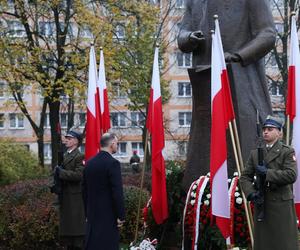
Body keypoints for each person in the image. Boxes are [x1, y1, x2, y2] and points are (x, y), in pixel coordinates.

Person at [177, 0, 276, 189]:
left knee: (243, 137)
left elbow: (268, 34)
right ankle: (200, 194)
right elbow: (182, 34)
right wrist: (189, 37)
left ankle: (246, 192)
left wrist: (238, 56)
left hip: (241, 78)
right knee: (204, 140)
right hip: (206, 79)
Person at [240, 116, 299, 250]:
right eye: (264, 129)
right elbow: (245, 177)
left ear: (279, 133)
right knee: (264, 243)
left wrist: (267, 173)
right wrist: (250, 193)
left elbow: (291, 175)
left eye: (270, 129)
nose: (266, 132)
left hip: (281, 205)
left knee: (283, 242)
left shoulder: (287, 151)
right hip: (263, 203)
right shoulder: (255, 154)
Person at [82, 133, 125, 250]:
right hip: (108, 215)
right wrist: (121, 215)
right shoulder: (113, 163)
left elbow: (84, 190)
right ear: (112, 144)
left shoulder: (89, 163)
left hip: (92, 214)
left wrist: (87, 212)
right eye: (116, 143)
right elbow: (117, 192)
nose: (117, 146)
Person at [56, 129, 86, 250]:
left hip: (74, 197)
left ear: (76, 141)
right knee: (68, 230)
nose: (66, 140)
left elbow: (79, 175)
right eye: (66, 138)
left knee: (76, 229)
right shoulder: (66, 154)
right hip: (65, 194)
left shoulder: (79, 156)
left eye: (69, 139)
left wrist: (61, 173)